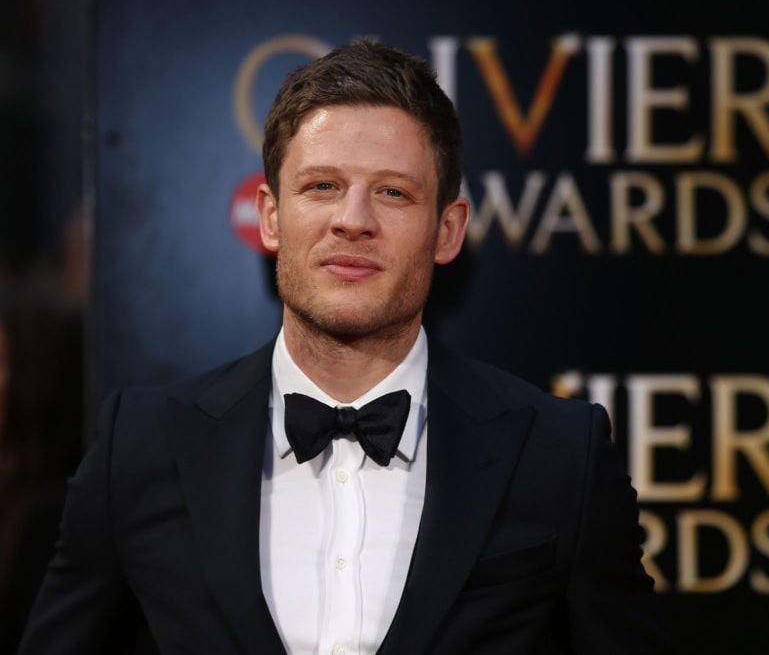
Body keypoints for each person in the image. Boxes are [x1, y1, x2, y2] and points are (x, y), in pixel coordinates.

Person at [19, 39, 670, 654]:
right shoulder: (141, 448)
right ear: (271, 217)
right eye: (323, 185)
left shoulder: (558, 455)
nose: (353, 218)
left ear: (447, 230)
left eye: (392, 191)